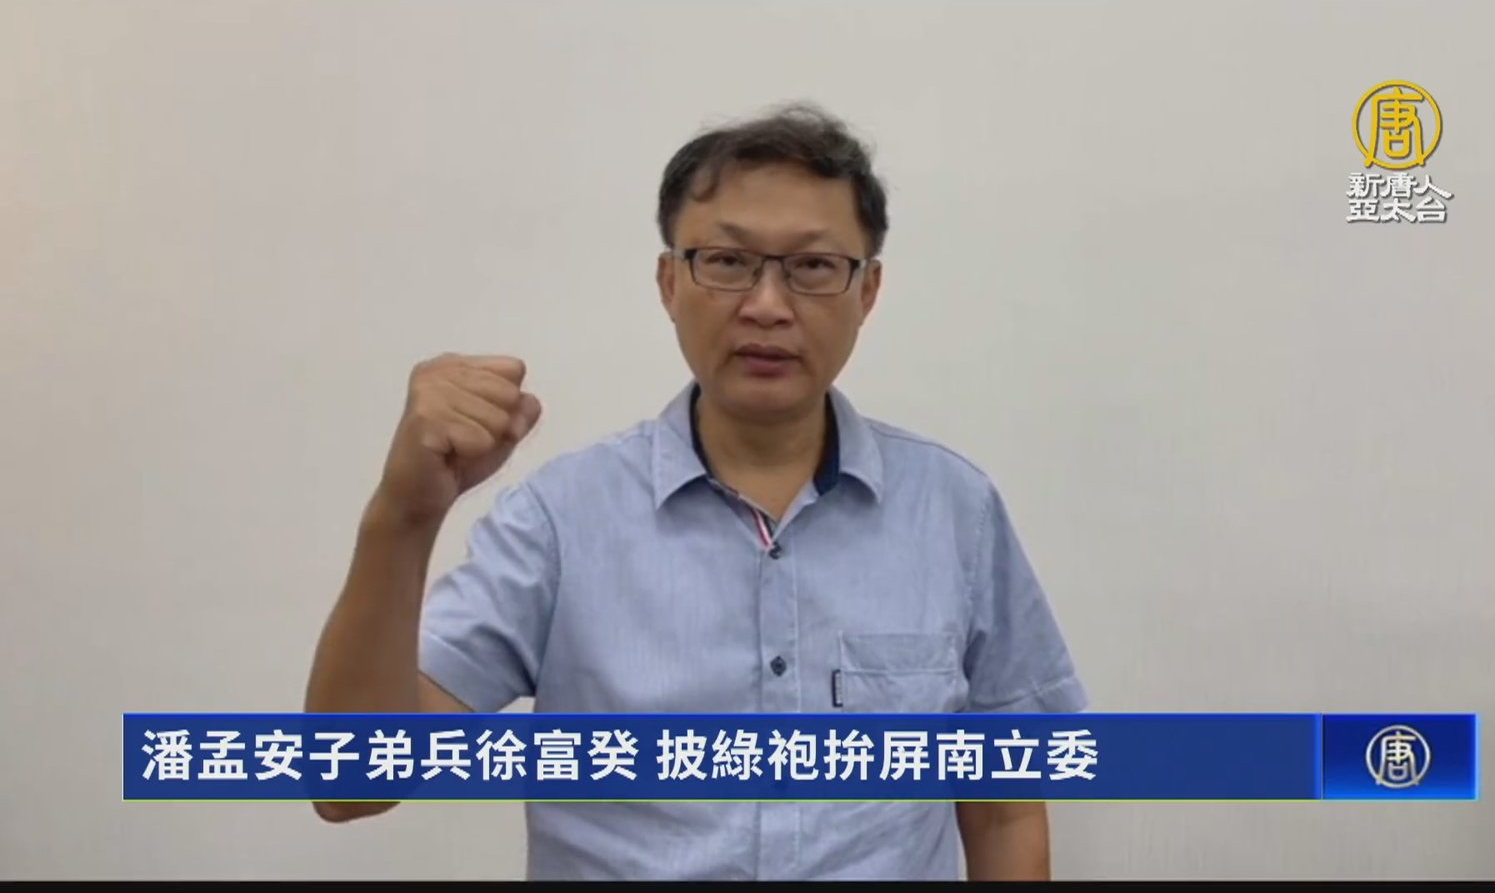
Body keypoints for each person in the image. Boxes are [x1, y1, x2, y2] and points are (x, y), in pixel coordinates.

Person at [303, 102, 1089, 881]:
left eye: (813, 267)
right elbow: (352, 783)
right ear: (669, 282)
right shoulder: (562, 520)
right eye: (727, 261)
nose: (767, 305)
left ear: (868, 291)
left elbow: (1006, 806)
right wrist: (403, 517)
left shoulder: (952, 510)